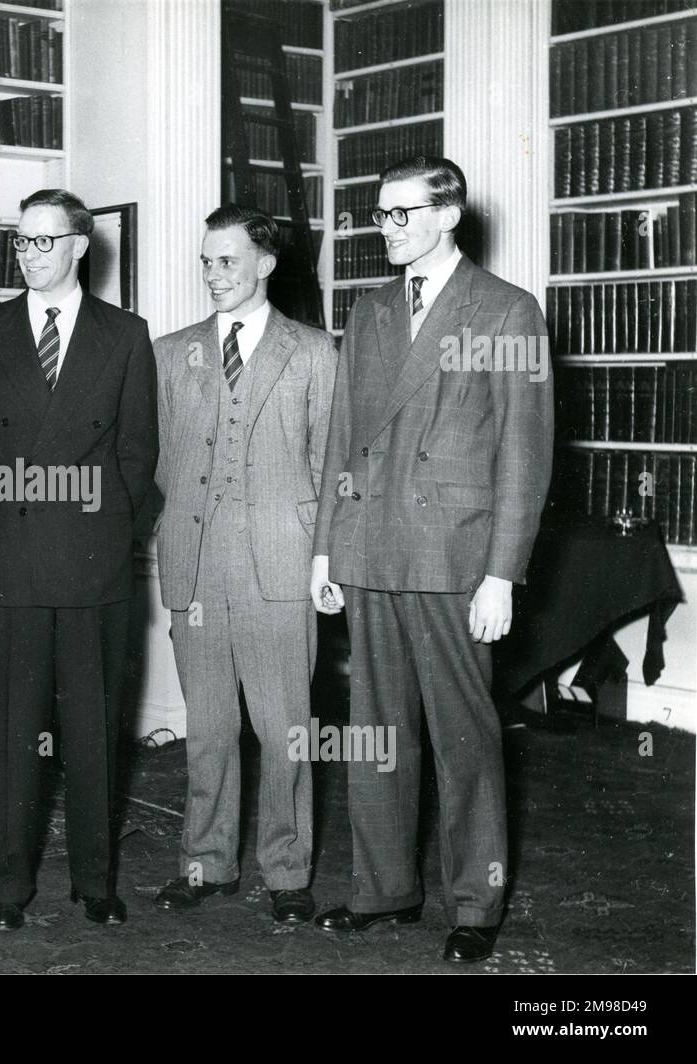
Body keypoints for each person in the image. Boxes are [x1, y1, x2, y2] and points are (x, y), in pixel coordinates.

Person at [310, 156, 553, 963]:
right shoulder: (372, 309)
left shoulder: (507, 312)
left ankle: (475, 905)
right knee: (375, 733)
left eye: (405, 214)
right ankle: (383, 891)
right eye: (381, 216)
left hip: (454, 557)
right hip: (373, 547)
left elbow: (525, 451)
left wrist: (501, 573)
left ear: (449, 215)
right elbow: (343, 437)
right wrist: (325, 550)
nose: (390, 229)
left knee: (465, 739)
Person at [0, 188, 158, 930]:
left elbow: (137, 455)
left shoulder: (125, 335)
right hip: (13, 560)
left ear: (81, 245)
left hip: (93, 562)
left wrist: (101, 528)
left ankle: (95, 879)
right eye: (21, 242)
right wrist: (17, 516)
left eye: (45, 242)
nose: (31, 255)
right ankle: (7, 885)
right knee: (11, 733)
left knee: (95, 729)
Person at [151, 205, 337, 925]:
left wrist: (325, 563)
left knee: (286, 728)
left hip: (281, 567)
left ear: (265, 263)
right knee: (208, 729)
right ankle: (207, 863)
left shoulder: (316, 352)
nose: (212, 274)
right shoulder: (170, 354)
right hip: (196, 566)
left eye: (227, 260)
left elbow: (328, 468)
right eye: (205, 261)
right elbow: (156, 462)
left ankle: (288, 872)